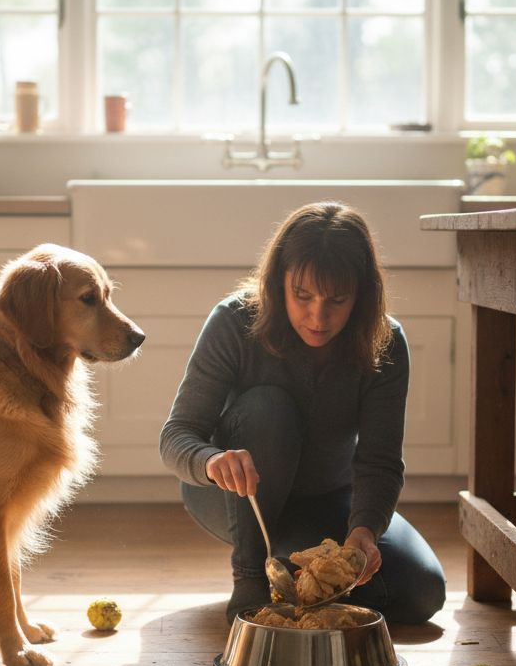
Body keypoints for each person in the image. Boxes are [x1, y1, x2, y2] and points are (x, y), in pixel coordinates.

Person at [159, 201, 447, 624]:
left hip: (327, 499)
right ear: (279, 283)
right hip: (234, 500)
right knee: (267, 408)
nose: (318, 316)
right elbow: (176, 435)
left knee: (422, 594)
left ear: (361, 295)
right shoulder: (232, 322)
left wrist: (363, 532)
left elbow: (379, 460)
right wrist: (213, 461)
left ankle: (292, 576)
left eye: (337, 299)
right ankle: (250, 577)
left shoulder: (385, 341)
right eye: (302, 295)